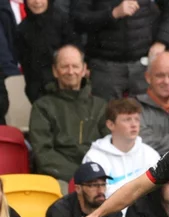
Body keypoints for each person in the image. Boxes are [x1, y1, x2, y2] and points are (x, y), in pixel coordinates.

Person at [29, 45, 108, 184]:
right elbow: (43, 153)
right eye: (64, 66)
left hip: (98, 177)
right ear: (55, 71)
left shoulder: (101, 106)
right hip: (59, 178)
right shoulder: (42, 107)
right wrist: (80, 176)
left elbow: (111, 146)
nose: (70, 72)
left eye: (75, 66)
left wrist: (95, 174)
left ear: (84, 70)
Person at [72, 0, 169, 100]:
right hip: (105, 66)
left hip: (143, 63)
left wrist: (161, 42)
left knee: (146, 115)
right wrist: (113, 14)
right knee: (107, 115)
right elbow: (78, 19)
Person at [82, 99, 160, 199]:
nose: (134, 124)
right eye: (127, 119)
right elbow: (94, 197)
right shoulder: (94, 158)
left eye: (137, 119)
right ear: (110, 125)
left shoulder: (151, 155)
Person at [15, 0, 78, 102]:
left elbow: (75, 51)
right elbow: (27, 68)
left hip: (66, 87)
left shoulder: (62, 21)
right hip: (39, 93)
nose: (37, 1)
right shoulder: (22, 30)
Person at [42, 162, 125, 217]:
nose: (100, 190)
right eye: (93, 185)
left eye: (103, 184)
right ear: (78, 189)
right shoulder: (60, 211)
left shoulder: (112, 210)